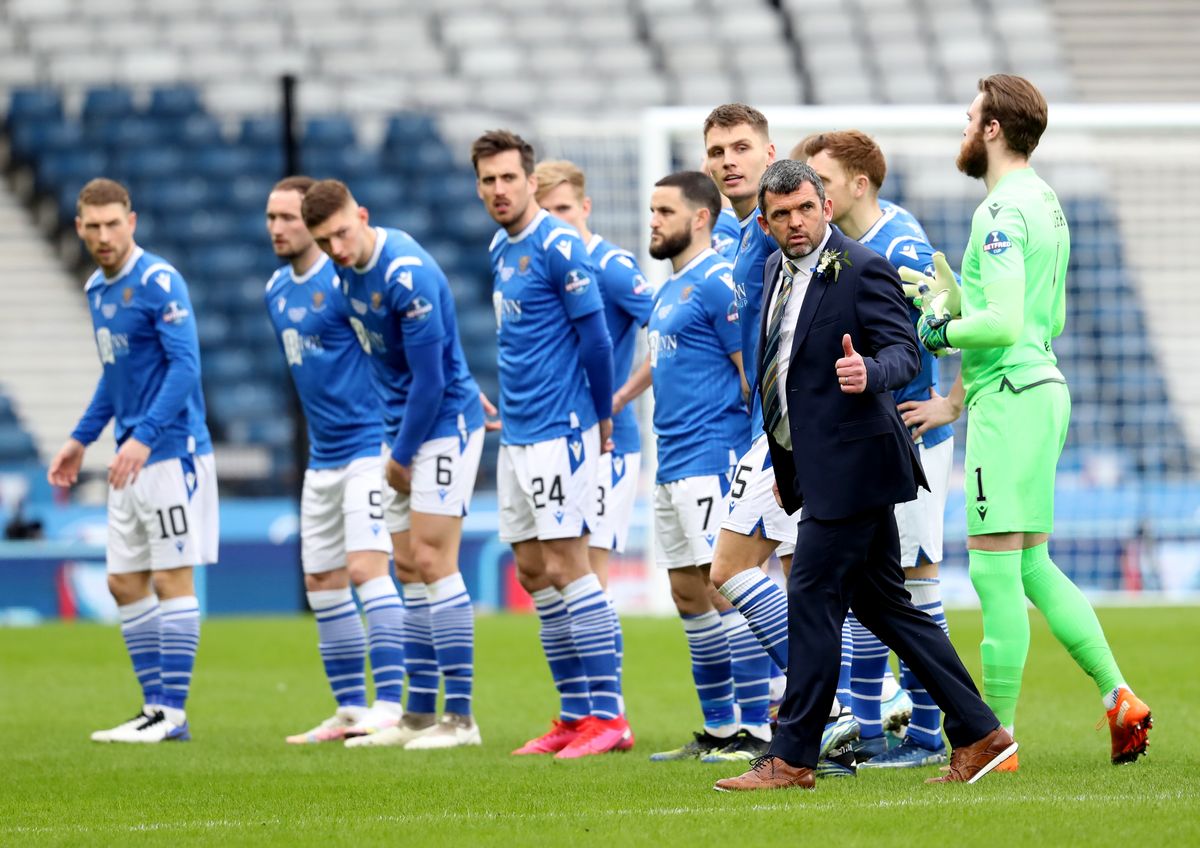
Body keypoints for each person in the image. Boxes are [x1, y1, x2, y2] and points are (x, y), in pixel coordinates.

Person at [714, 160, 1014, 791]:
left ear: (825, 205)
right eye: (781, 214)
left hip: (859, 465)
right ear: (765, 222)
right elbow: (783, 374)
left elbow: (906, 350)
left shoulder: (861, 266)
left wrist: (870, 374)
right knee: (886, 607)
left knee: (813, 596)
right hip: (818, 467)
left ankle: (793, 756)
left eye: (804, 208)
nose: (795, 223)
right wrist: (786, 460)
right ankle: (982, 734)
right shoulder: (773, 269)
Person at [908, 73, 1151, 766]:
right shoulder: (1048, 204)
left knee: (992, 573)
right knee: (1035, 565)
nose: (962, 125)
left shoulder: (998, 213)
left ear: (992, 129)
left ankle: (995, 741)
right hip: (1040, 387)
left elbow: (1001, 322)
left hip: (1011, 398)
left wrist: (939, 329)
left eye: (969, 117)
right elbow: (1045, 319)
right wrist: (955, 398)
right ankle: (1118, 697)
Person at [302, 179, 486, 750]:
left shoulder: (408, 273)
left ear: (362, 215)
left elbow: (431, 378)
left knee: (434, 560)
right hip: (400, 428)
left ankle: (461, 719)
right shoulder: (344, 269)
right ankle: (417, 716)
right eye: (324, 240)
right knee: (405, 567)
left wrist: (401, 457)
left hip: (442, 426)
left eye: (341, 233)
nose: (335, 248)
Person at [800, 130, 956, 768]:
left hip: (912, 441)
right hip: (864, 442)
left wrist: (950, 401)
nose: (815, 194)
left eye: (824, 182)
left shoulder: (901, 243)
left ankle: (925, 737)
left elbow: (949, 323)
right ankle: (867, 733)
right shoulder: (845, 245)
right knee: (869, 588)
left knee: (914, 587)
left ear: (858, 185)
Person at [472, 130, 629, 759]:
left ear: (528, 180)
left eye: (508, 177)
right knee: (535, 572)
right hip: (516, 433)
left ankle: (609, 716)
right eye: (488, 180)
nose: (499, 190)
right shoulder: (499, 247)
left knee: (569, 565)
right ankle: (571, 715)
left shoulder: (560, 245)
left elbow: (595, 340)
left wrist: (600, 417)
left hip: (562, 430)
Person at [49, 178, 217, 744]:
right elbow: (115, 375)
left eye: (112, 223)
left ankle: (172, 712)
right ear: (79, 228)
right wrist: (80, 437)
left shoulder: (158, 281)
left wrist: (144, 435)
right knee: (124, 583)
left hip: (172, 454)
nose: (102, 235)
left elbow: (185, 367)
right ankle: (153, 709)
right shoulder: (97, 288)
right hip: (130, 458)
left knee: (171, 577)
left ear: (132, 221)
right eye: (92, 226)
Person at [261, 176, 395, 746]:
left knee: (368, 570)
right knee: (322, 580)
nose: (278, 228)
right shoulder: (274, 289)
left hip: (369, 446)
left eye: (288, 218)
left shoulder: (345, 285)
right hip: (323, 457)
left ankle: (390, 704)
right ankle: (347, 710)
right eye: (271, 218)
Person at [534, 160, 654, 719]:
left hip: (608, 443)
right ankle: (582, 711)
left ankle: (609, 713)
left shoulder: (610, 268)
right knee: (554, 573)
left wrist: (623, 395)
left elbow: (673, 328)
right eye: (546, 211)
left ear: (584, 208)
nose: (554, 221)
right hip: (557, 434)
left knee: (589, 570)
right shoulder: (544, 262)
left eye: (562, 209)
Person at [700, 104, 797, 754]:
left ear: (769, 155)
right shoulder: (740, 237)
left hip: (799, 428)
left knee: (737, 569)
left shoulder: (781, 228)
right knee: (795, 572)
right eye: (716, 151)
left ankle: (840, 697)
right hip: (772, 426)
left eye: (740, 147)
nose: (727, 160)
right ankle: (845, 703)